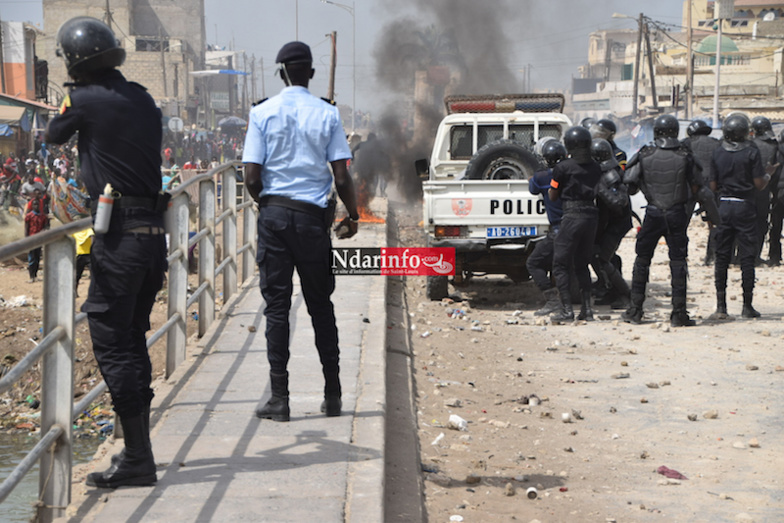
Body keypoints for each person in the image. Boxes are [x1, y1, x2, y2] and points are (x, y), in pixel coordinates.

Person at [45, 16, 168, 489]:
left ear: (74, 61)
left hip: (118, 239)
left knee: (113, 341)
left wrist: (69, 94)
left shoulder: (82, 100)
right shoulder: (141, 95)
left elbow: (54, 135)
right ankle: (139, 450)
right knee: (132, 337)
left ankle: (138, 457)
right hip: (152, 236)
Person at [242, 41, 359, 422]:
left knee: (276, 309)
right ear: (310, 73)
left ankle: (280, 398)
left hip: (275, 218)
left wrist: (270, 207)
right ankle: (334, 394)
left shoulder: (262, 113)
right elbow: (341, 174)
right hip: (313, 221)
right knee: (321, 308)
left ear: (281, 74)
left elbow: (251, 177)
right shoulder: (327, 113)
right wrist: (352, 214)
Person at [622, 114, 717, 327]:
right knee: (678, 262)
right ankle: (678, 314)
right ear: (676, 131)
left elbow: (629, 185)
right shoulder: (686, 155)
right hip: (676, 214)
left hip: (653, 213)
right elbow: (697, 187)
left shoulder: (644, 153)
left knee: (642, 260)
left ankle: (635, 311)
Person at [709, 114, 774, 319]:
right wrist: (768, 173)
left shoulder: (717, 152)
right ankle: (747, 306)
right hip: (745, 207)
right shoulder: (751, 151)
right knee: (747, 257)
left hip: (723, 208)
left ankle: (721, 307)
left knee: (721, 257)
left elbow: (712, 186)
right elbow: (759, 184)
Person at [548, 126, 602, 322]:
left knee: (560, 263)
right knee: (582, 263)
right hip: (591, 216)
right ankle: (587, 310)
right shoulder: (596, 166)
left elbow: (553, 195)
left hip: (571, 215)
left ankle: (566, 310)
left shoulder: (561, 168)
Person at [590, 138, 632, 309]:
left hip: (616, 224)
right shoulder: (605, 172)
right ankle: (611, 290)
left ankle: (625, 296)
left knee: (602, 258)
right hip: (608, 224)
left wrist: (599, 190)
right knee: (601, 255)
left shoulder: (610, 175)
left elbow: (618, 203)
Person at [527, 139, 566, 316]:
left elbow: (533, 189)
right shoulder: (573, 172)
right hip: (578, 225)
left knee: (533, 263)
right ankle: (584, 308)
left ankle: (553, 302)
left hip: (558, 229)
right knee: (575, 266)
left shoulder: (541, 177)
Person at [681, 119, 721, 264]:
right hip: (711, 186)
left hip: (691, 186)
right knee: (714, 223)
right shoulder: (716, 143)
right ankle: (712, 257)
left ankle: (681, 256)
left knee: (682, 225)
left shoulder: (686, 143)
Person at [750, 116, 780, 265]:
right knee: (761, 223)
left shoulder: (748, 145)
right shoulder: (773, 146)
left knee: (745, 223)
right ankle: (755, 256)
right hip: (764, 189)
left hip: (747, 189)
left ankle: (738, 256)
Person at [23, 188, 49, 282]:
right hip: (31, 238)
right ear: (32, 206)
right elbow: (26, 228)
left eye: (37, 204)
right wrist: (26, 239)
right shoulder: (29, 216)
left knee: (37, 258)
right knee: (31, 258)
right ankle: (31, 276)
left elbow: (45, 227)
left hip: (39, 239)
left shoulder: (42, 216)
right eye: (34, 205)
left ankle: (35, 276)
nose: (36, 206)